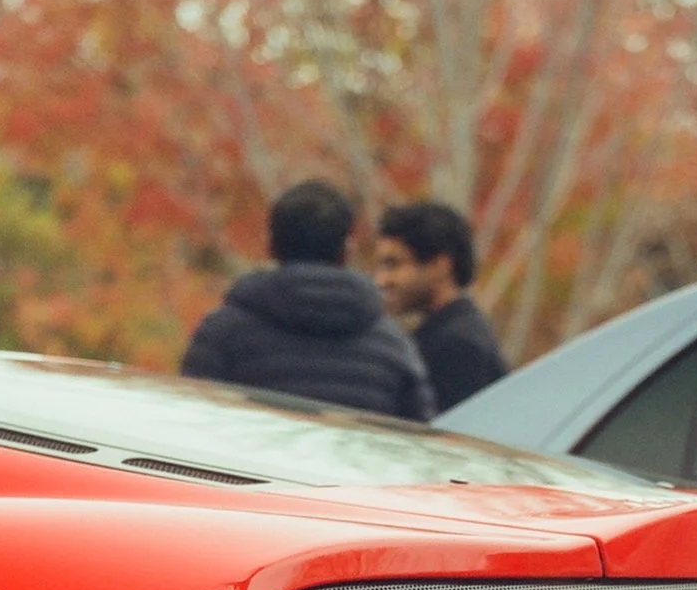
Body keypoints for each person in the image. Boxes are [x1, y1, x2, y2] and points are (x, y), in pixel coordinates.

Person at [182, 180, 433, 420]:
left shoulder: (222, 334)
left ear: (271, 245)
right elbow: (416, 445)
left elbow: (189, 417)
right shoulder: (392, 347)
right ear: (346, 250)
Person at [373, 200, 509, 413]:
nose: (381, 280)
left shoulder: (459, 347)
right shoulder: (452, 333)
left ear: (440, 265)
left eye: (394, 265)